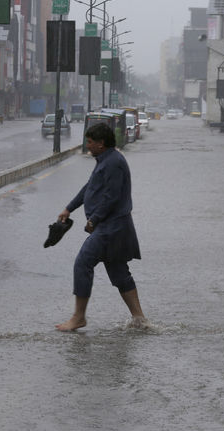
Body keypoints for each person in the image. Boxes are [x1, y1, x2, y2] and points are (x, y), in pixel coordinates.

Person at [55, 123, 146, 331]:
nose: (87, 145)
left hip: (111, 226)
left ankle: (79, 317)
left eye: (90, 141)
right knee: (119, 272)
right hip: (112, 226)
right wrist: (69, 208)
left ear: (101, 143)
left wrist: (93, 219)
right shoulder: (105, 160)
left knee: (83, 262)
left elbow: (111, 196)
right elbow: (90, 187)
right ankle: (140, 319)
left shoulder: (114, 162)